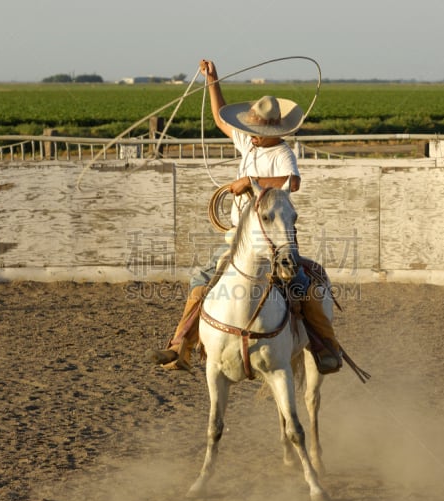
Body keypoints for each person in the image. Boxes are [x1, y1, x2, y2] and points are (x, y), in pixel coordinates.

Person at [146, 59, 343, 375]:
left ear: (271, 131)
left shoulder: (282, 154)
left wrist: (251, 183)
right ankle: (180, 346)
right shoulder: (251, 144)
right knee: (202, 279)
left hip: (273, 238)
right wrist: (213, 80)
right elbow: (220, 118)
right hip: (241, 237)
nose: (249, 135)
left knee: (303, 285)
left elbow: (293, 182)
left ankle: (325, 347)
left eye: (256, 131)